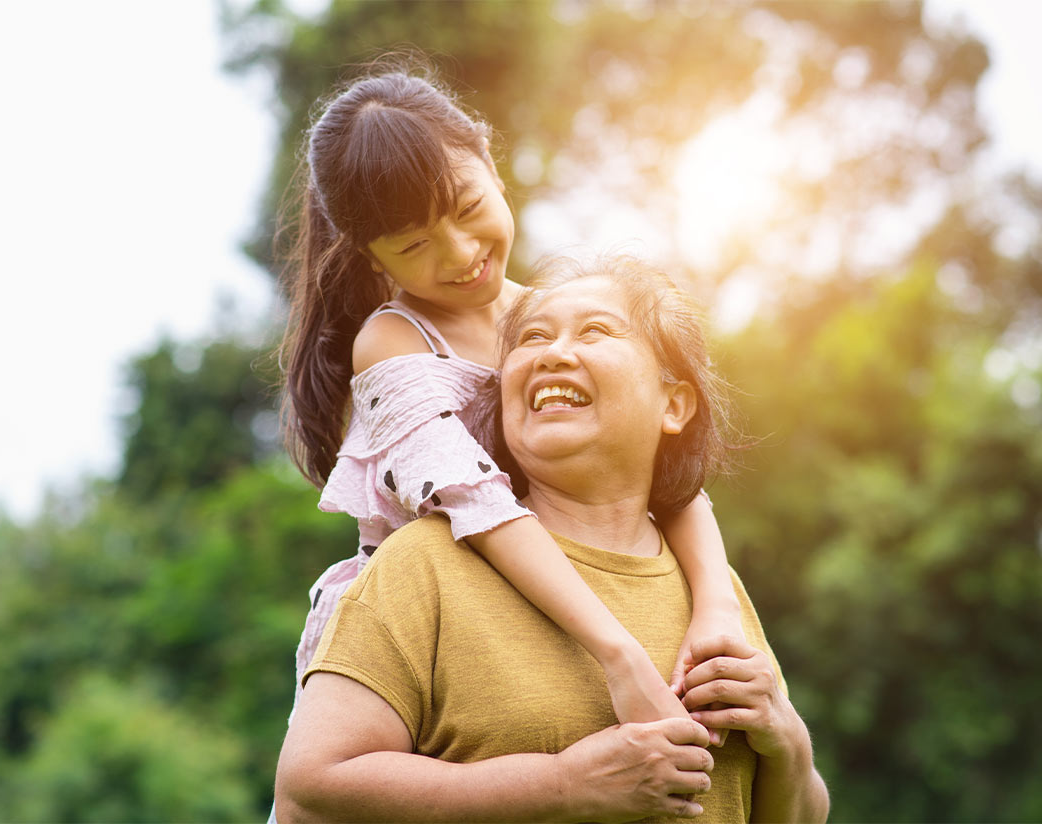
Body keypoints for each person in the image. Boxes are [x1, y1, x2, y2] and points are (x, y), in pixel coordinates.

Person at [278, 61, 750, 729]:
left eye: (468, 208)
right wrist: (619, 653)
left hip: (554, 596)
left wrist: (715, 609)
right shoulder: (395, 342)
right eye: (415, 244)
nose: (462, 252)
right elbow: (476, 502)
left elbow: (668, 477)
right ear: (372, 257)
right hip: (420, 627)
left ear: (490, 162)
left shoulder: (548, 320)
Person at [275, 254, 829, 822]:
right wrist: (562, 785)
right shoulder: (422, 564)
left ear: (674, 404)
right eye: (533, 337)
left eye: (595, 330)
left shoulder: (715, 592)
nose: (552, 353)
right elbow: (308, 796)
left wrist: (787, 741)